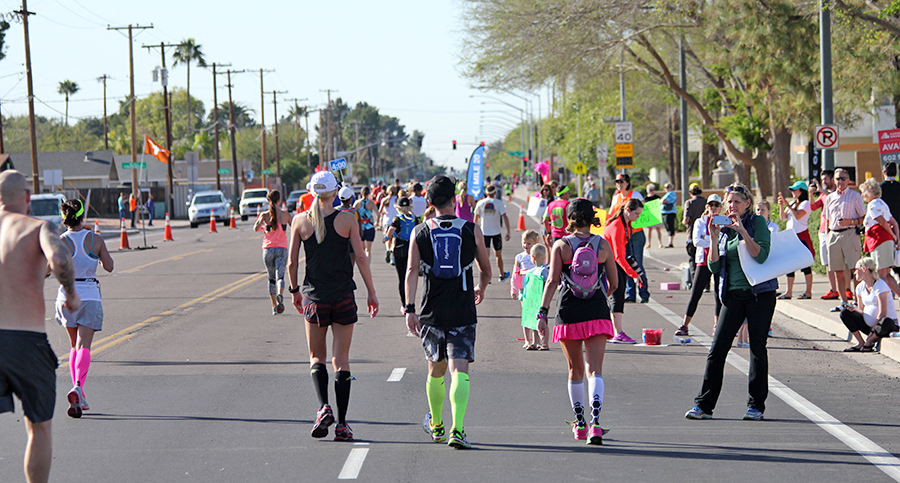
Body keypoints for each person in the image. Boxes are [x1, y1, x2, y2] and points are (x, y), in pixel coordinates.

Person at [286, 170, 379, 442]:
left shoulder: (300, 221)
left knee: (317, 357)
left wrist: (294, 291)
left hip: (314, 297)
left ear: (312, 192)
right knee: (342, 360)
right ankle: (341, 424)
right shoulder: (348, 220)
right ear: (335, 192)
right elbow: (360, 258)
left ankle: (322, 406)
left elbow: (291, 263)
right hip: (343, 297)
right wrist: (371, 293)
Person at [0, 170, 80, 483]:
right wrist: (71, 293)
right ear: (27, 197)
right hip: (26, 342)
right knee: (39, 425)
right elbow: (60, 260)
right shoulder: (38, 227)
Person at [405, 175, 491, 450]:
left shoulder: (419, 231)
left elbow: (411, 272)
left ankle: (437, 425)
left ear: (429, 202)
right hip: (463, 309)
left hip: (432, 310)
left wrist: (409, 308)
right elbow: (486, 269)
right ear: (455, 199)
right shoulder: (470, 229)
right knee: (459, 370)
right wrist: (481, 287)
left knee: (436, 369)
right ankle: (458, 429)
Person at [685, 183, 775, 421]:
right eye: (729, 202)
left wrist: (743, 231)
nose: (731, 206)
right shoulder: (723, 227)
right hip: (733, 295)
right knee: (717, 350)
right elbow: (714, 266)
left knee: (757, 349)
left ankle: (756, 406)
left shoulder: (757, 224)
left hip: (759, 294)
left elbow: (761, 255)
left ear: (747, 204)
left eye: (736, 201)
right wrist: (714, 238)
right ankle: (704, 405)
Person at [539, 198, 618, 445]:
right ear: (591, 218)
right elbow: (614, 283)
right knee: (595, 370)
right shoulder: (603, 245)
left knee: (575, 371)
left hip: (568, 311)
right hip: (597, 311)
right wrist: (598, 296)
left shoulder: (560, 245)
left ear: (569, 218)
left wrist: (542, 313)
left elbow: (552, 281)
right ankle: (596, 424)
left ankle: (580, 423)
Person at [56, 199, 114, 419]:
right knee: (85, 345)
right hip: (89, 296)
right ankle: (78, 386)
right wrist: (96, 257)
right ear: (82, 216)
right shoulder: (95, 239)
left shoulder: (60, 242)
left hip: (65, 296)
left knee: (73, 345)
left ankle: (78, 393)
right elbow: (109, 267)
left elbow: (46, 270)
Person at [675, 194, 723, 337]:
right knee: (696, 293)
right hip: (703, 261)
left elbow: (723, 241)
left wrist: (706, 238)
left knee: (719, 294)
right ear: (707, 206)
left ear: (720, 207)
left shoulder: (723, 221)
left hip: (719, 260)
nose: (713, 208)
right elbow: (696, 241)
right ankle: (685, 325)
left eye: (716, 205)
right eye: (710, 205)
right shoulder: (700, 222)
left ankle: (717, 325)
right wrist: (713, 238)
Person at [602, 198, 643, 344]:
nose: (637, 217)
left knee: (616, 296)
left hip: (613, 262)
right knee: (616, 297)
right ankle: (617, 333)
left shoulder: (625, 223)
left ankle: (615, 331)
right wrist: (634, 275)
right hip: (610, 263)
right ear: (627, 210)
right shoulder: (618, 226)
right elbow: (619, 256)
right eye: (636, 214)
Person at [825, 168, 866, 307]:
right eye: (837, 178)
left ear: (848, 180)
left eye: (843, 178)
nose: (840, 181)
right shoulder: (830, 197)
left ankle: (858, 301)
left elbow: (864, 218)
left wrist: (851, 221)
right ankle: (844, 302)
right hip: (834, 235)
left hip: (850, 233)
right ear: (834, 181)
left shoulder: (855, 196)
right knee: (838, 270)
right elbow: (826, 219)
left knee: (856, 270)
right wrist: (827, 235)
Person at [840, 257, 899, 352]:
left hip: (884, 326)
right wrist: (853, 309)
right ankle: (860, 342)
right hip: (870, 327)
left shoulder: (880, 285)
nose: (854, 273)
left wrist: (872, 331)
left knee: (885, 321)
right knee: (844, 313)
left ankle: (869, 341)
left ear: (865, 269)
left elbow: (882, 313)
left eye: (856, 270)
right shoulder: (860, 287)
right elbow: (862, 311)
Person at [859, 178, 900, 297]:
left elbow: (882, 222)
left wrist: (893, 235)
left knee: (880, 275)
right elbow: (894, 222)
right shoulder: (882, 203)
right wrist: (895, 237)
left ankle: (882, 301)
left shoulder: (872, 205)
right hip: (886, 240)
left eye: (864, 192)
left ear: (870, 191)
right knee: (886, 274)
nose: (862, 195)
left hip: (879, 240)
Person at [611, 174, 648, 303]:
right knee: (625, 261)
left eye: (621, 181)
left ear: (627, 182)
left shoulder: (635, 195)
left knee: (636, 262)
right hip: (623, 234)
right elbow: (611, 214)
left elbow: (644, 212)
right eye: (617, 181)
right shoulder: (616, 197)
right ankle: (630, 294)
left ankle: (643, 292)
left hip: (636, 234)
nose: (619, 184)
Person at [254, 190, 293, 315]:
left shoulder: (265, 215)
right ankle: (280, 295)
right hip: (282, 248)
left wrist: (264, 228)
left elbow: (256, 228)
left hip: (268, 249)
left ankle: (274, 306)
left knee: (271, 279)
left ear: (268, 200)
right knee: (280, 276)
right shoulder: (285, 215)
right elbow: (295, 226)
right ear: (279, 200)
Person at [777, 181, 814, 300]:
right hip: (791, 237)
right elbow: (783, 218)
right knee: (790, 265)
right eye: (792, 190)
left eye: (795, 190)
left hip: (801, 236)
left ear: (801, 191)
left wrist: (787, 204)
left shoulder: (806, 203)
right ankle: (788, 292)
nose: (793, 192)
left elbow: (798, 216)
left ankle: (808, 292)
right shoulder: (793, 203)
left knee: (806, 265)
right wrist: (782, 205)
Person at [385, 197, 420, 312]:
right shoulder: (414, 218)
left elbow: (391, 230)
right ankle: (411, 302)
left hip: (400, 249)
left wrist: (386, 238)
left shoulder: (398, 218)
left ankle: (404, 304)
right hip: (412, 248)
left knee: (402, 277)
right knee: (411, 275)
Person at [810, 171, 840, 299]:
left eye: (826, 179)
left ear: (832, 179)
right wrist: (811, 193)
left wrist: (821, 189)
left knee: (839, 261)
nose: (824, 182)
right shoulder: (822, 194)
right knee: (827, 262)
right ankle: (833, 289)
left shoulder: (837, 192)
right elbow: (813, 207)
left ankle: (844, 289)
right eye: (822, 180)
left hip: (835, 229)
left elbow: (833, 197)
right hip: (823, 231)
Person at [473, 184, 511, 281]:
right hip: (496, 232)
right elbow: (505, 217)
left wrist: (475, 231)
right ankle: (501, 274)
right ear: (495, 193)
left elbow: (475, 218)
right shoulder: (499, 203)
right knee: (498, 255)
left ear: (486, 193)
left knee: (485, 256)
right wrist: (508, 231)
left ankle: (487, 277)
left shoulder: (480, 203)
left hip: (484, 232)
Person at [511, 230, 541, 349]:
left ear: (535, 243)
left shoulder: (539, 256)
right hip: (524, 289)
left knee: (535, 314)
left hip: (535, 288)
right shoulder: (519, 257)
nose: (526, 246)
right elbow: (515, 273)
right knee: (526, 314)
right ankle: (527, 341)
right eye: (524, 243)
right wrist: (514, 289)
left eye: (529, 243)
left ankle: (536, 341)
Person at [683, 183, 707, 288]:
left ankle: (695, 284)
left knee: (693, 261)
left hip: (692, 237)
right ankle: (706, 286)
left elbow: (686, 220)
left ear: (690, 192)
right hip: (705, 237)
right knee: (705, 262)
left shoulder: (689, 203)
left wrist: (684, 222)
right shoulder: (706, 202)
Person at [880, 162, 900, 281]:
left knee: (886, 261)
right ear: (896, 173)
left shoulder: (880, 188)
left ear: (884, 173)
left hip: (885, 228)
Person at [354, 186, 376, 262]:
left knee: (362, 249)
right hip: (370, 227)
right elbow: (378, 214)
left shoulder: (357, 203)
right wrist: (377, 222)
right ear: (369, 193)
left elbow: (352, 213)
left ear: (361, 193)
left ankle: (364, 265)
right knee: (368, 250)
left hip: (360, 228)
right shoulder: (371, 203)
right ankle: (368, 266)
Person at [644, 183, 664, 249]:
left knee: (658, 229)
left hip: (656, 215)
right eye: (651, 190)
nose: (652, 191)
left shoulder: (657, 197)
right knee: (649, 229)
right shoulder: (646, 198)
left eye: (653, 189)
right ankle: (648, 243)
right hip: (650, 216)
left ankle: (660, 242)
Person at [660, 183, 678, 248]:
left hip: (669, 212)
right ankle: (670, 241)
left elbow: (663, 201)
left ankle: (670, 242)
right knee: (667, 227)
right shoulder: (667, 194)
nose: (666, 188)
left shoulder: (671, 194)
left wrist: (661, 201)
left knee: (670, 227)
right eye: (665, 187)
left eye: (668, 187)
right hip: (665, 212)